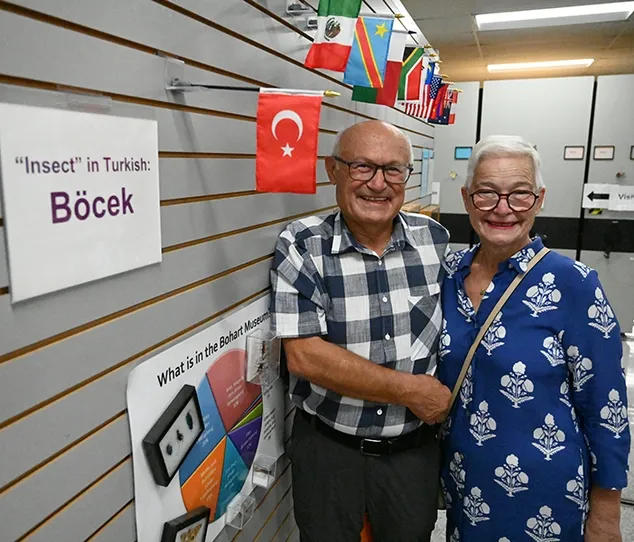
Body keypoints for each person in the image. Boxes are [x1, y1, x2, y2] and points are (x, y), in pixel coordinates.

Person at [438, 135, 630, 542]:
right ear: (466, 198)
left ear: (539, 199)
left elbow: (607, 407)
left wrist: (607, 513)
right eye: (486, 193)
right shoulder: (447, 275)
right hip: (464, 483)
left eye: (520, 194)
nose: (503, 208)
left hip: (547, 491)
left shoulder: (573, 284)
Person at [270, 120, 451, 542]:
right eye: (362, 167)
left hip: (412, 453)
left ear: (408, 176)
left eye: (393, 170)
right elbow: (305, 355)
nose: (378, 183)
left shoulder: (435, 241)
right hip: (329, 451)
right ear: (333, 171)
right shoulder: (302, 244)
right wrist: (410, 391)